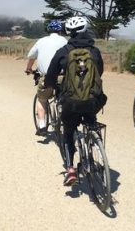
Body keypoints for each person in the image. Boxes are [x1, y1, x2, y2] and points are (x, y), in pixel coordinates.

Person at [44, 16, 106, 186]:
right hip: (93, 100)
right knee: (91, 119)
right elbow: (100, 72)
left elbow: (50, 77)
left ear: (69, 33)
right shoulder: (94, 51)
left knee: (69, 130)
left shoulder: (63, 51)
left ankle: (71, 168)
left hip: (71, 102)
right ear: (86, 30)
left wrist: (55, 87)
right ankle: (95, 144)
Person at [25, 20, 67, 136]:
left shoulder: (41, 41)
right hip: (62, 77)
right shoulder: (64, 41)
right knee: (63, 97)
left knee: (42, 99)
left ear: (49, 30)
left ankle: (42, 126)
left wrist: (29, 68)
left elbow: (31, 56)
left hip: (46, 78)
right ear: (60, 30)